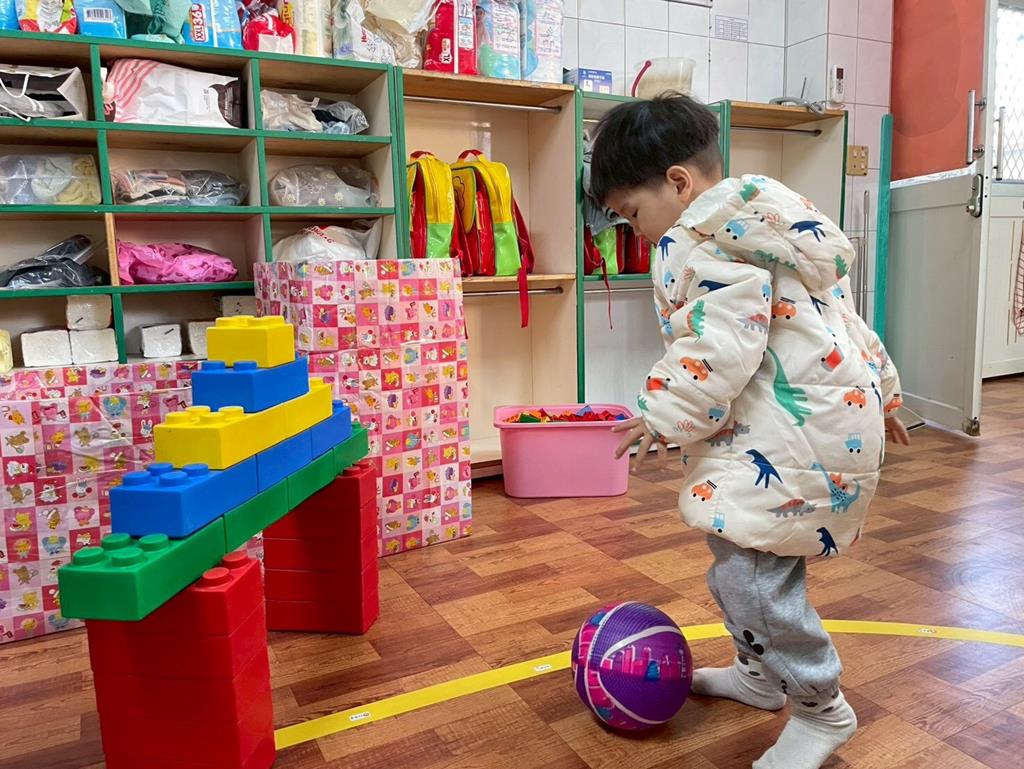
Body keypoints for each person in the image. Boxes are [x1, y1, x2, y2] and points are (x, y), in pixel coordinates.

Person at [589, 93, 911, 769]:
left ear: (678, 182)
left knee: (754, 583)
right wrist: (884, 391)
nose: (637, 232)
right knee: (741, 556)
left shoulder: (697, 239)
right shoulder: (776, 227)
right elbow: (845, 321)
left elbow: (719, 343)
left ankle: (822, 708)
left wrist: (661, 412)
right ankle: (759, 676)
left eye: (633, 214)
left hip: (784, 439)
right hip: (817, 427)